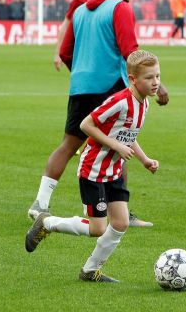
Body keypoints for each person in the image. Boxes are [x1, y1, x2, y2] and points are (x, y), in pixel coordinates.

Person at [28, 0, 169, 228]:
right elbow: (131, 50)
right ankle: (123, 213)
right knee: (121, 140)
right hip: (110, 85)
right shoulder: (120, 7)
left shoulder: (81, 10)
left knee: (68, 144)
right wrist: (157, 85)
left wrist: (82, 73)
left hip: (81, 84)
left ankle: (40, 204)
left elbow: (66, 50)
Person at [25, 50, 161, 283]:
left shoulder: (144, 104)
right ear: (132, 79)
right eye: (149, 78)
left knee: (120, 223)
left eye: (158, 76)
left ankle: (90, 270)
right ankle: (46, 222)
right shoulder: (120, 101)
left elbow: (128, 135)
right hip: (94, 171)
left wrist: (145, 159)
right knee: (98, 227)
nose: (155, 82)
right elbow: (86, 124)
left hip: (113, 172)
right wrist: (115, 146)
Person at [53, 0, 104, 71]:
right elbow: (65, 26)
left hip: (102, 53)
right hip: (81, 52)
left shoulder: (110, 0)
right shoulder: (80, 0)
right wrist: (58, 53)